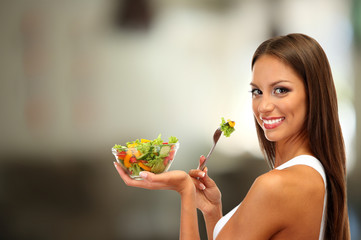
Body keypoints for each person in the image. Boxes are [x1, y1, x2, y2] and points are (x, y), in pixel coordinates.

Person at [114, 33, 350, 239]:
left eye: (281, 90)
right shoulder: (313, 174)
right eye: (257, 91)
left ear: (314, 94)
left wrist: (185, 190)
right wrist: (212, 211)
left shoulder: (275, 186)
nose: (264, 106)